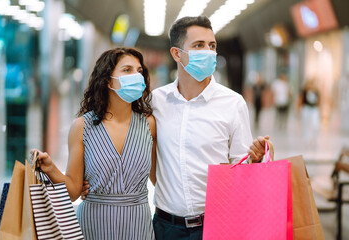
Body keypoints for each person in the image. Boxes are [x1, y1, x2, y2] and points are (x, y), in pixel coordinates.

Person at [81, 16, 270, 240]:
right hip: (165, 227)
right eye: (198, 45)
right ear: (176, 54)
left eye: (212, 46)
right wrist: (92, 181)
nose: (208, 52)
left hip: (216, 225)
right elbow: (132, 143)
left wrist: (257, 159)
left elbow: (242, 168)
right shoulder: (156, 102)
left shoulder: (233, 103)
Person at [31, 48, 156, 240]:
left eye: (139, 71)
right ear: (107, 80)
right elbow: (73, 191)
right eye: (127, 70)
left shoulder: (149, 124)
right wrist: (51, 168)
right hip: (93, 224)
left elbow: (159, 178)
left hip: (138, 223)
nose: (136, 76)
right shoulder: (82, 126)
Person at [297, 79, 320, 144]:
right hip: (306, 108)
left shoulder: (316, 91)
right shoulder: (304, 91)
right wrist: (298, 110)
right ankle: (306, 138)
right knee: (306, 124)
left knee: (315, 124)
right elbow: (300, 100)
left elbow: (319, 101)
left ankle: (314, 137)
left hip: (314, 109)